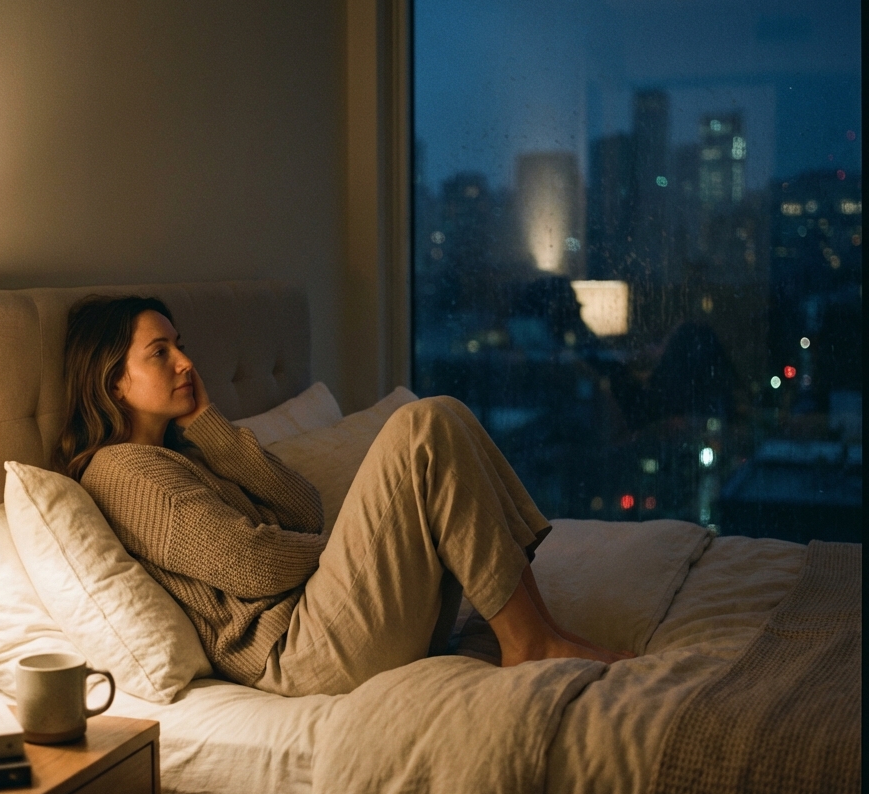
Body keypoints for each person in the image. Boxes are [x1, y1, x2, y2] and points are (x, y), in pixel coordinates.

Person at [54, 295, 626, 697]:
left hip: (327, 625)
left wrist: (208, 422)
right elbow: (252, 564)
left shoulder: (187, 456)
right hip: (298, 653)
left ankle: (538, 632)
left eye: (180, 346)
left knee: (444, 413)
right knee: (420, 427)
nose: (185, 362)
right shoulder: (122, 471)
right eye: (160, 353)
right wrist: (348, 545)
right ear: (112, 381)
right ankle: (530, 642)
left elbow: (303, 507)